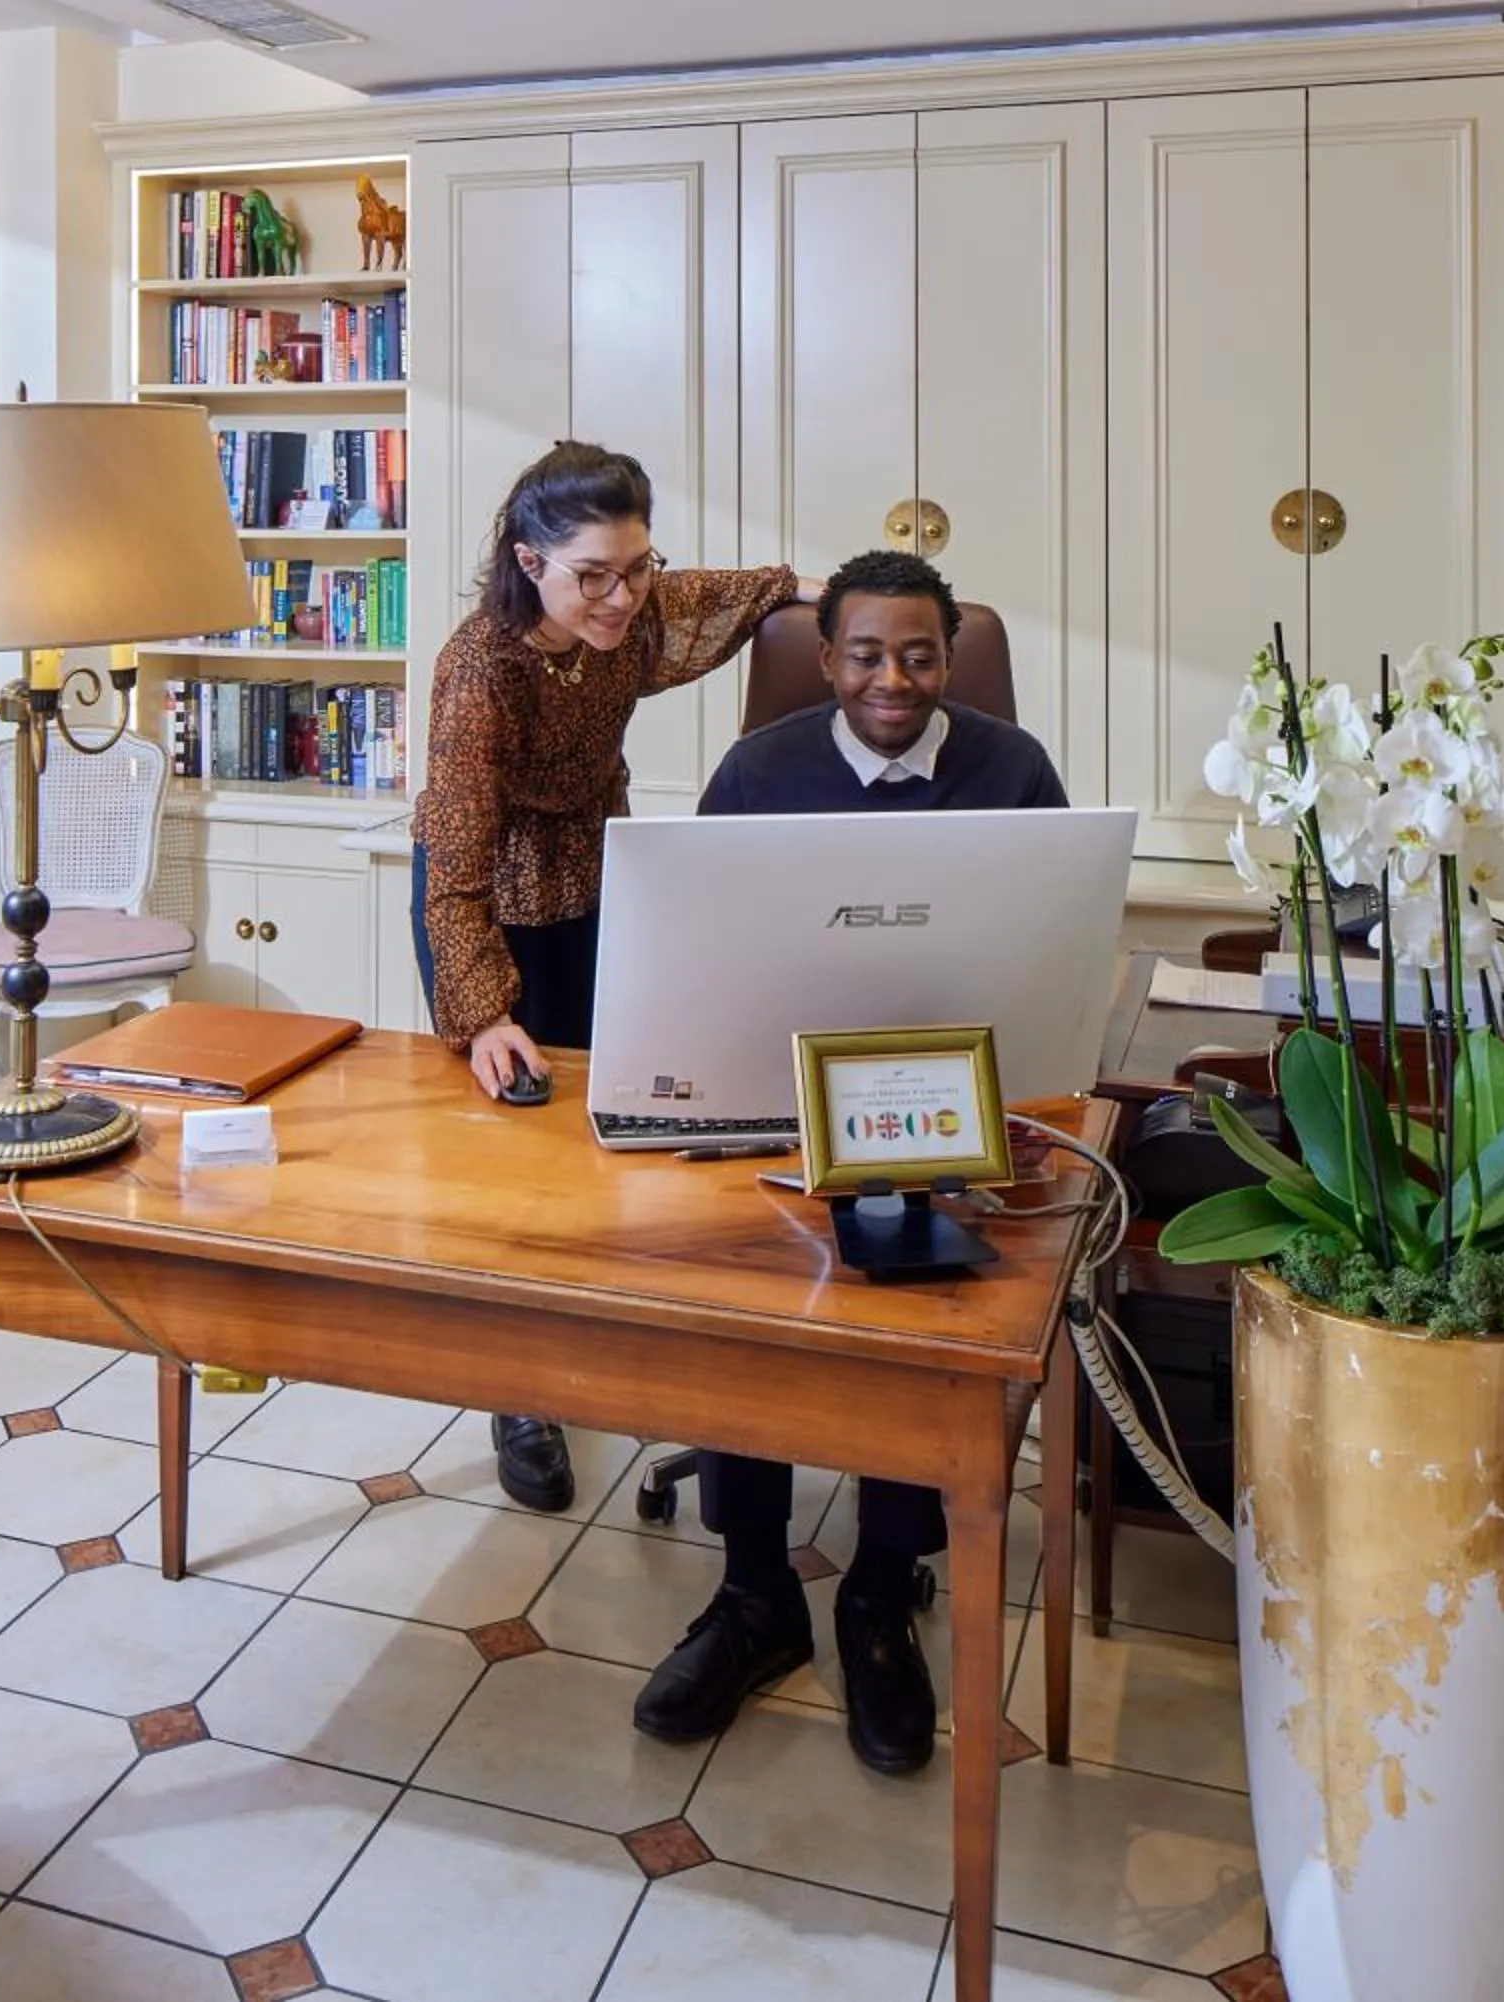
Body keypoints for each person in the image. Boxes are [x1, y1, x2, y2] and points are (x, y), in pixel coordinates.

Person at [634, 547, 1068, 1777]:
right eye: (867, 654)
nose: (894, 678)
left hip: (942, 1106)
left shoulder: (1011, 769)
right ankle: (756, 1591)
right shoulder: (758, 771)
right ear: (824, 662)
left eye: (920, 653)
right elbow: (693, 945)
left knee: (923, 1315)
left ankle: (883, 1587)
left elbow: (1051, 945)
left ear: (949, 657)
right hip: (774, 1095)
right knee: (742, 1307)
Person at [410, 441, 815, 1511]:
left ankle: (601, 1331)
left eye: (637, 567)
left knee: (610, 1115)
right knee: (514, 1154)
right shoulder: (479, 668)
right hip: (485, 892)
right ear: (527, 559)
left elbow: (738, 592)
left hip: (599, 871)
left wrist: (833, 591)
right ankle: (517, 1392)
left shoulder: (628, 613)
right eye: (594, 574)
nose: (624, 595)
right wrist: (485, 1009)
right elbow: (450, 864)